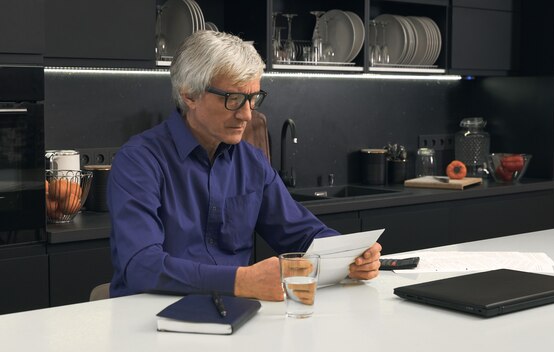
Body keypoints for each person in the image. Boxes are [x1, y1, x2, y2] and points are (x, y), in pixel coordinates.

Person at [107, 30, 382, 300]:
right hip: (148, 318)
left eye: (253, 98)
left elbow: (302, 234)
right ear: (189, 94)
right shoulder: (138, 161)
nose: (247, 115)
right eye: (233, 99)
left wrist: (351, 256)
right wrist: (240, 281)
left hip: (234, 312)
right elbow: (141, 266)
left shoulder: (251, 161)